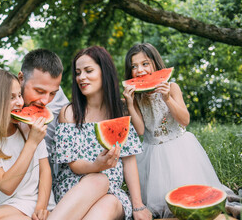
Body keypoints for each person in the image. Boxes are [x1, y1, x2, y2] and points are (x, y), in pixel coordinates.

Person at [48, 46, 152, 220]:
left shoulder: (121, 111)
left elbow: (129, 162)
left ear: (105, 72)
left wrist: (138, 205)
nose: (81, 77)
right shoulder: (68, 113)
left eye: (88, 71)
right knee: (98, 180)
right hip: (74, 190)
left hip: (113, 192)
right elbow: (74, 164)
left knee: (109, 202)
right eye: (78, 72)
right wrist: (98, 166)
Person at [122, 43, 225, 218]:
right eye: (134, 66)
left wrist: (167, 98)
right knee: (163, 204)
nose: (139, 70)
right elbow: (139, 130)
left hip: (180, 149)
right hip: (152, 154)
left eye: (145, 64)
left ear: (156, 63)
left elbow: (184, 120)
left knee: (193, 197)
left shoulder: (172, 87)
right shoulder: (136, 97)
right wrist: (130, 104)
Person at [0, 69, 56, 220]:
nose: (20, 102)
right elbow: (7, 186)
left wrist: (41, 207)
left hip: (33, 202)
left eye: (19, 95)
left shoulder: (29, 129)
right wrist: (31, 143)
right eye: (11, 97)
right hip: (4, 206)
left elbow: (45, 172)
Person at [17, 49, 69, 179]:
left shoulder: (57, 95)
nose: (46, 101)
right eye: (39, 91)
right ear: (21, 78)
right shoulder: (2, 97)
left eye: (52, 93)